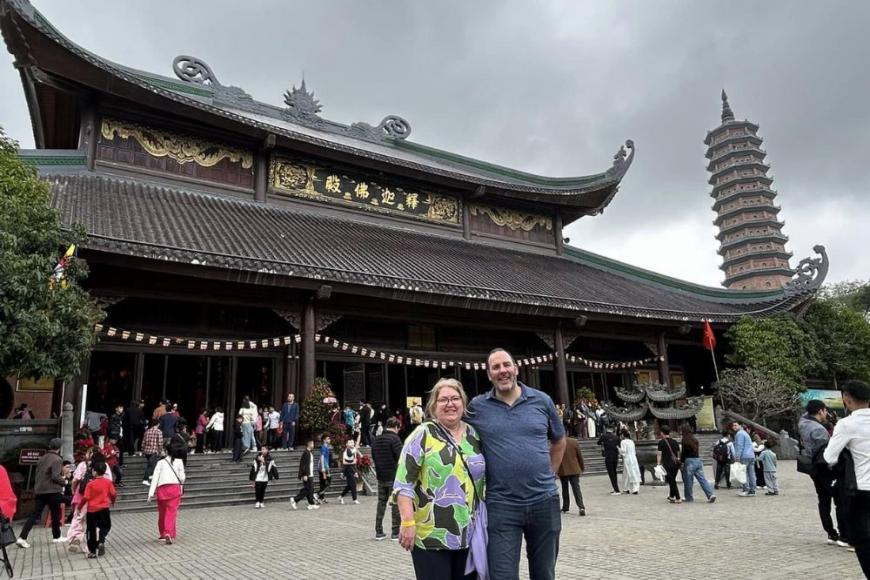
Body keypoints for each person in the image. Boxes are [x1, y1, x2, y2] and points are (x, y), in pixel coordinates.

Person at [466, 348, 565, 580]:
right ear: (489, 374)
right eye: (496, 367)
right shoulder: (478, 407)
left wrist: (550, 474)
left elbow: (559, 440)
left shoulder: (542, 400)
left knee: (544, 574)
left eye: (506, 365)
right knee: (502, 575)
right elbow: (453, 424)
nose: (503, 371)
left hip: (544, 501)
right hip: (501, 505)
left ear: (516, 369)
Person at [394, 378, 485, 580]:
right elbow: (403, 484)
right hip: (431, 536)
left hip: (470, 535)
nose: (450, 404)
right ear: (433, 406)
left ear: (463, 403)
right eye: (443, 400)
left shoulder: (474, 435)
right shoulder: (422, 434)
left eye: (455, 398)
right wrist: (407, 522)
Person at [824, 380, 870, 575]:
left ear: (846, 399)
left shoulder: (847, 424)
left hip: (862, 490)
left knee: (863, 540)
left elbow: (829, 457)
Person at [799, 399, 845, 545]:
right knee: (839, 500)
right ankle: (843, 534)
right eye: (825, 411)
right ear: (820, 411)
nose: (826, 413)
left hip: (812, 468)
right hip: (824, 468)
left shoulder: (803, 423)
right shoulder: (818, 430)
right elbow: (826, 453)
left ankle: (830, 533)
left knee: (823, 501)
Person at [16, 438, 67, 548]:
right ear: (59, 448)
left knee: (35, 515)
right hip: (53, 490)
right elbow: (55, 476)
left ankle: (22, 537)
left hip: (40, 490)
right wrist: (65, 482)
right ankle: (57, 537)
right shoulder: (57, 459)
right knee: (55, 514)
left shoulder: (42, 458)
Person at [147, 447, 186, 544]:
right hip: (174, 489)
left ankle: (163, 534)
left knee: (162, 513)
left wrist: (150, 494)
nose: (161, 452)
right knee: (171, 512)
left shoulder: (160, 463)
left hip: (162, 489)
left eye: (163, 450)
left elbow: (155, 478)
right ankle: (169, 532)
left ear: (166, 452)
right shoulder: (179, 462)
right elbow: (182, 478)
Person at [372, 416, 403, 540]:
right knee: (395, 504)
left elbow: (374, 456)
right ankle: (395, 532)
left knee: (381, 503)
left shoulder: (376, 439)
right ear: (396, 427)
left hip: (381, 476)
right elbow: (401, 457)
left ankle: (379, 531)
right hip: (393, 476)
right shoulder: (395, 439)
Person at [79, 461, 116, 558]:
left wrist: (79, 507)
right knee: (106, 526)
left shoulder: (90, 484)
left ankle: (92, 551)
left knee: (91, 530)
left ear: (94, 472)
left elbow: (86, 497)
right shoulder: (108, 482)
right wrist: (112, 501)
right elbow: (113, 494)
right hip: (104, 508)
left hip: (92, 510)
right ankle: (101, 541)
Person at [680, 425, 716, 503]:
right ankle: (710, 494)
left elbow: (683, 453)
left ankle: (688, 497)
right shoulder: (695, 439)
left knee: (688, 480)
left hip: (689, 461)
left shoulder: (684, 440)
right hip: (697, 460)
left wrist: (682, 462)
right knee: (702, 479)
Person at [557, 435, 586, 516]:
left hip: (563, 469)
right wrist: (582, 467)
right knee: (576, 489)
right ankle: (581, 507)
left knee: (565, 488)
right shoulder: (574, 442)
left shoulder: (558, 443)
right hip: (574, 468)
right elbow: (579, 456)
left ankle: (565, 507)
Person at [290, 439, 320, 510]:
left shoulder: (309, 452)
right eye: (312, 443)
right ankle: (295, 499)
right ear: (309, 444)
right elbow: (303, 465)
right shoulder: (306, 453)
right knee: (307, 489)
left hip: (310, 474)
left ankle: (311, 504)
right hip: (307, 474)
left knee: (310, 490)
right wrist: (304, 475)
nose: (313, 445)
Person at [656, 425, 682, 504]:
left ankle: (678, 497)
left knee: (672, 481)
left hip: (667, 464)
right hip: (675, 464)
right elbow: (678, 453)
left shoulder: (661, 442)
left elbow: (659, 454)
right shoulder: (674, 442)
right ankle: (671, 496)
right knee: (672, 480)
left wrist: (658, 463)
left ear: (662, 433)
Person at [732, 422, 757, 497]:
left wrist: (737, 457)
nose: (734, 427)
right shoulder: (746, 433)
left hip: (744, 456)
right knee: (751, 473)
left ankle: (746, 489)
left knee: (744, 473)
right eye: (733, 425)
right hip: (751, 455)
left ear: (740, 426)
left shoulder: (739, 434)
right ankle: (752, 490)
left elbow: (739, 446)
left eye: (736, 425)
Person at [597, 426, 621, 495]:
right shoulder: (616, 437)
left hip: (608, 456)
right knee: (614, 472)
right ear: (613, 430)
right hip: (615, 456)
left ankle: (617, 490)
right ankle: (615, 488)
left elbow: (598, 442)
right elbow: (619, 445)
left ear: (606, 429)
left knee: (611, 473)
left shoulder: (603, 436)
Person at [338, 440, 362, 505]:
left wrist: (359, 433)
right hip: (348, 470)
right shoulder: (347, 451)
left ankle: (341, 496)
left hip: (352, 469)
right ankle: (355, 499)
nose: (352, 443)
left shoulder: (353, 449)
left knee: (349, 486)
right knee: (353, 484)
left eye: (352, 442)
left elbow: (357, 444)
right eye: (350, 442)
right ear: (347, 444)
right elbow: (344, 462)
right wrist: (353, 462)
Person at [619, 429, 641, 495]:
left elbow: (624, 451)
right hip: (633, 458)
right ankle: (635, 488)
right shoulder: (631, 441)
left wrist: (618, 449)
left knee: (626, 474)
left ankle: (626, 488)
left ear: (623, 435)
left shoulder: (623, 442)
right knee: (634, 472)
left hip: (627, 458)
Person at [141, 420, 163, 485]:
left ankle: (151, 475)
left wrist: (142, 450)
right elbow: (160, 443)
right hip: (154, 450)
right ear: (158, 424)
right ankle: (145, 479)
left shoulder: (147, 431)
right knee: (150, 465)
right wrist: (160, 451)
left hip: (147, 451)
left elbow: (143, 442)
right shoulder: (159, 431)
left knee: (152, 464)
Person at [317, 435, 333, 502]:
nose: (329, 440)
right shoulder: (324, 447)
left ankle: (321, 497)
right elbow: (322, 457)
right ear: (324, 440)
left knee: (323, 482)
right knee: (328, 482)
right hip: (324, 466)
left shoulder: (326, 447)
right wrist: (323, 467)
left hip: (324, 466)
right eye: (328, 439)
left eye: (329, 438)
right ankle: (317, 494)